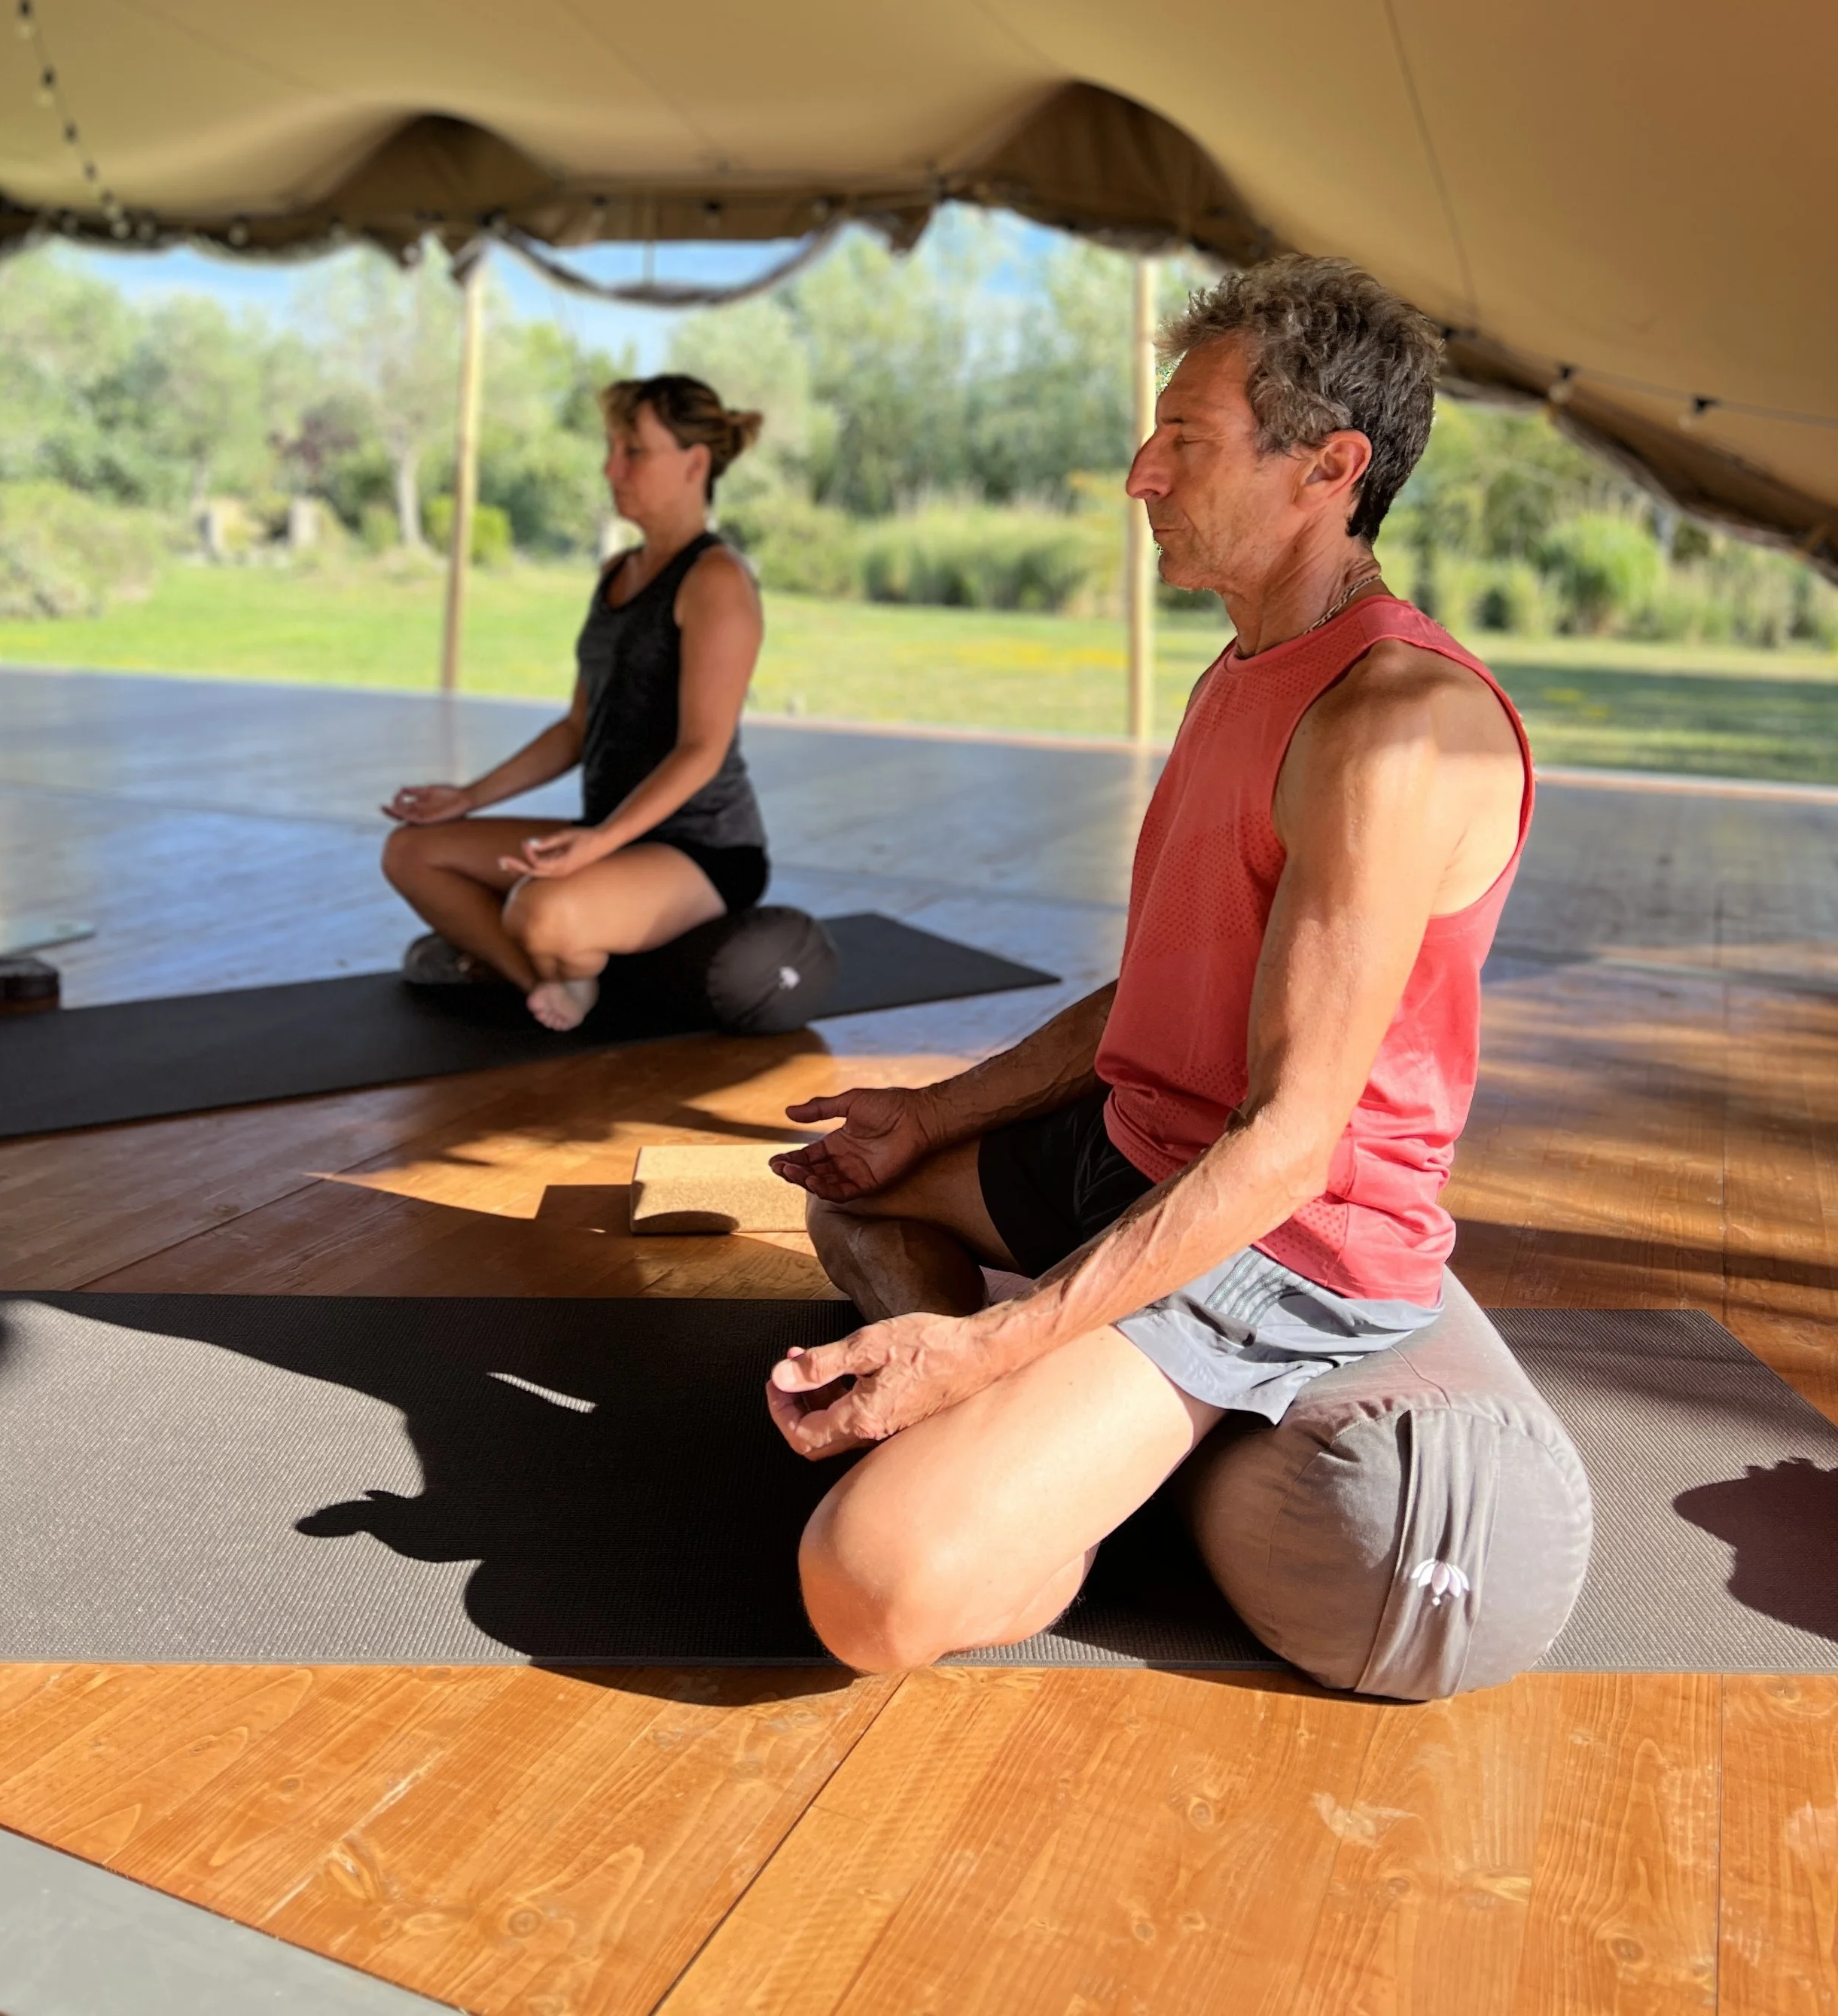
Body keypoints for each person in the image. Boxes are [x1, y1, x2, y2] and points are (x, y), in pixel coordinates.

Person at [764, 256, 1533, 1672]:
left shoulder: (1396, 723)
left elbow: (1294, 1143)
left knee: (867, 1587)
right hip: (1141, 1148)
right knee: (856, 1197)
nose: (1140, 472)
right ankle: (1023, 1437)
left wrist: (991, 1352)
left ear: (1332, 464)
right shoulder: (1243, 667)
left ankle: (1045, 1466)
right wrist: (933, 1116)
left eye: (1186, 439)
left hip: (1285, 1243)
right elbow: (1172, 986)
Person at [382, 374, 770, 1032]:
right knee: (412, 851)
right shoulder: (616, 574)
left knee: (537, 910)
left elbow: (702, 749)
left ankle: (558, 964)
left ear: (695, 464)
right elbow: (578, 726)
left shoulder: (717, 580)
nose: (610, 467)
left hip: (701, 850)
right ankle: (548, 983)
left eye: (633, 451)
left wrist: (597, 843)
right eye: (611, 447)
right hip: (610, 837)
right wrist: (468, 798)